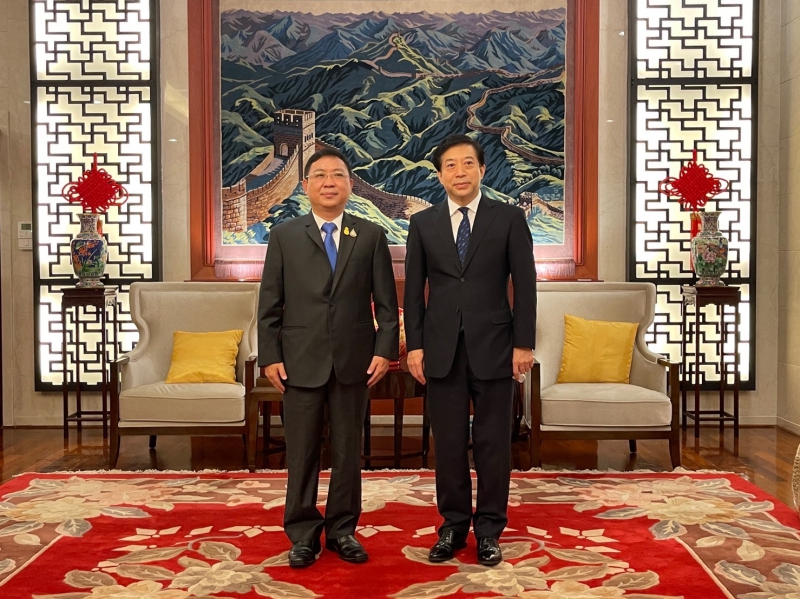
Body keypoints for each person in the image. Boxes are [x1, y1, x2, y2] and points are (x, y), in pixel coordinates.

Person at [258, 147, 399, 568]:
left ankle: (342, 530)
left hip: (354, 361)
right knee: (301, 453)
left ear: (350, 184)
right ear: (306, 186)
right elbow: (269, 304)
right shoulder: (284, 236)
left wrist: (384, 351)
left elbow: (386, 305)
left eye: (338, 174)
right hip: (298, 361)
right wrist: (270, 356)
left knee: (347, 453)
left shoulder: (370, 235)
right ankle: (302, 534)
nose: (329, 182)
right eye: (319, 175)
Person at [404, 134, 536, 566]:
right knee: (448, 443)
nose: (459, 172)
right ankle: (453, 526)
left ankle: (490, 530)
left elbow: (526, 285)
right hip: (441, 348)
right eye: (450, 165)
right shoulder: (423, 224)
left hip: (496, 347)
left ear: (481, 169)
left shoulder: (509, 218)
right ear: (440, 175)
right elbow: (414, 293)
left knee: (494, 443)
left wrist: (523, 343)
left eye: (467, 164)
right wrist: (415, 346)